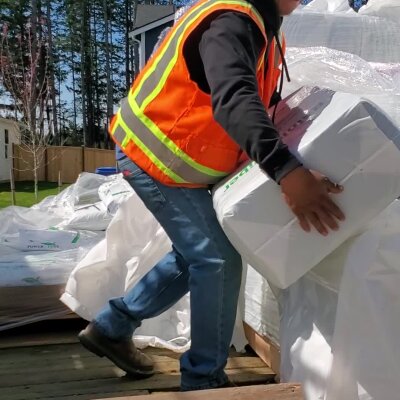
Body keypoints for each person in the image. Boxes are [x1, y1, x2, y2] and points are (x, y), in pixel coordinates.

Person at [78, 0, 345, 392]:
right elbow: (234, 101)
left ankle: (111, 328)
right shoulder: (232, 21)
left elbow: (257, 109)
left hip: (175, 159)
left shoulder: (262, 28)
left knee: (197, 255)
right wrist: (288, 174)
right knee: (216, 258)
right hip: (153, 155)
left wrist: (295, 165)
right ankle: (204, 381)